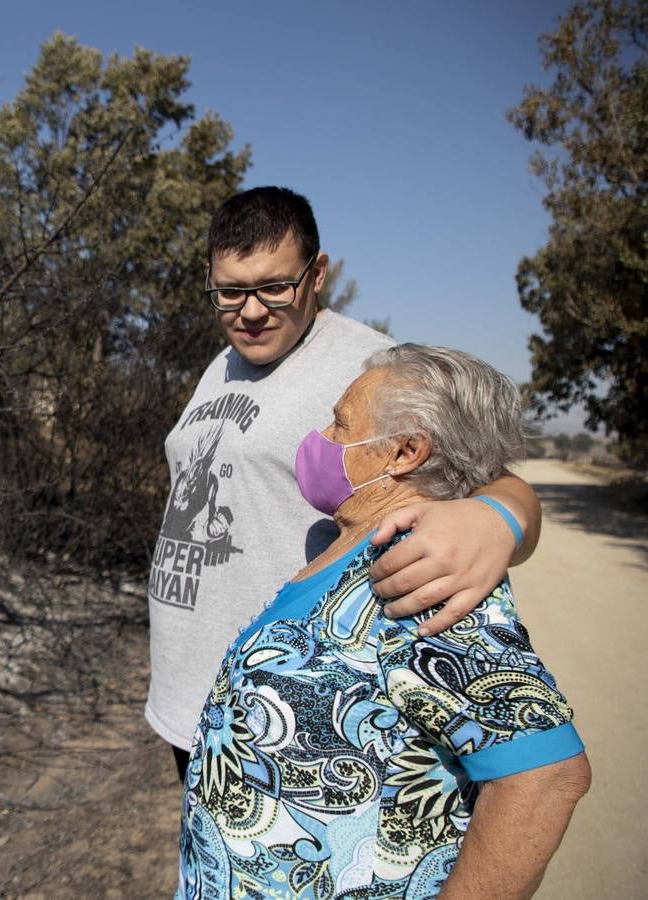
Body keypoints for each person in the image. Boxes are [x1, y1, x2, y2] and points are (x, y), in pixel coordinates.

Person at [147, 187, 544, 779]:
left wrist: (498, 520)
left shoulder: (372, 365)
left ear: (318, 274)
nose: (250, 311)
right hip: (190, 697)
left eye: (274, 287)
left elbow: (504, 484)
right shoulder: (224, 361)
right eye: (230, 292)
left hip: (284, 707)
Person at [177, 344, 590, 897]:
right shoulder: (347, 545)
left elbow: (545, 777)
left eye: (341, 423)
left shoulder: (419, 574)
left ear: (405, 452)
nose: (321, 437)